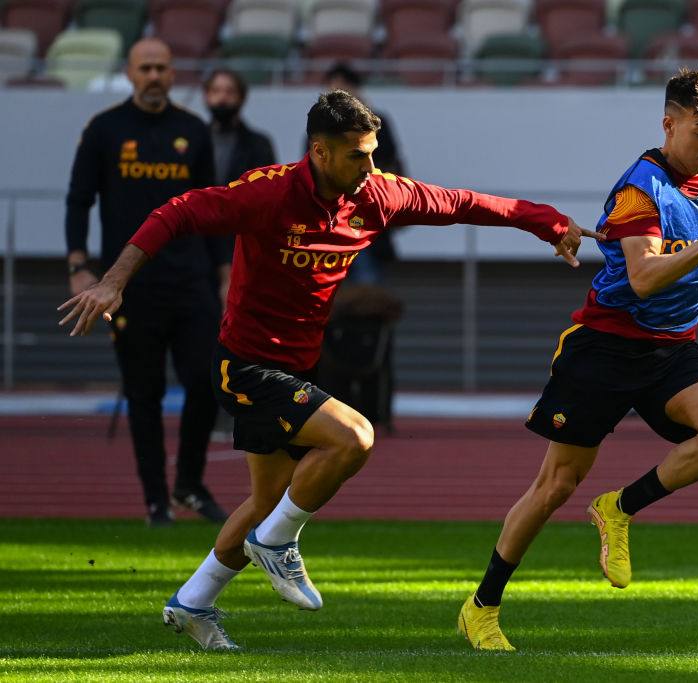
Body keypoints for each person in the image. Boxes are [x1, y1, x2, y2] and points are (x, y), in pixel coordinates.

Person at [58, 89, 601, 651]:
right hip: (244, 366)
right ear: (319, 152)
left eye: (374, 153)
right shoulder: (268, 192)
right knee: (355, 438)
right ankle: (278, 544)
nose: (371, 168)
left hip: (295, 369)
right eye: (357, 156)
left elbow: (466, 203)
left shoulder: (379, 195)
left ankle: (192, 601)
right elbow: (176, 211)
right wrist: (113, 280)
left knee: (266, 504)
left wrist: (549, 222)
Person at [456, 68, 698, 651]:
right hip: (606, 346)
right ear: (668, 125)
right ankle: (481, 607)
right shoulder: (638, 191)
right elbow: (641, 280)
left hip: (670, 347)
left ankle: (619, 508)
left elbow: (692, 220)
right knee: (554, 485)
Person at [64, 38, 229, 528]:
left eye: (162, 67)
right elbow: (78, 200)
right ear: (130, 74)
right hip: (129, 286)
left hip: (191, 280)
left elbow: (213, 211)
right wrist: (79, 265)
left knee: (205, 379)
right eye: (146, 68)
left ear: (174, 73)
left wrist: (223, 273)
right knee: (144, 392)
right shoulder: (104, 129)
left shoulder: (192, 130)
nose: (155, 75)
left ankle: (191, 485)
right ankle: (156, 500)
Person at [321, 62, 405, 285]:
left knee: (367, 285)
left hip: (366, 217)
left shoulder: (376, 123)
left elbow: (387, 162)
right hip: (331, 220)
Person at [203, 68, 277, 189]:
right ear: (206, 97)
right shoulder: (194, 138)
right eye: (215, 91)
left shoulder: (259, 144)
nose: (222, 98)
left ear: (241, 98)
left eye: (230, 92)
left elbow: (267, 190)